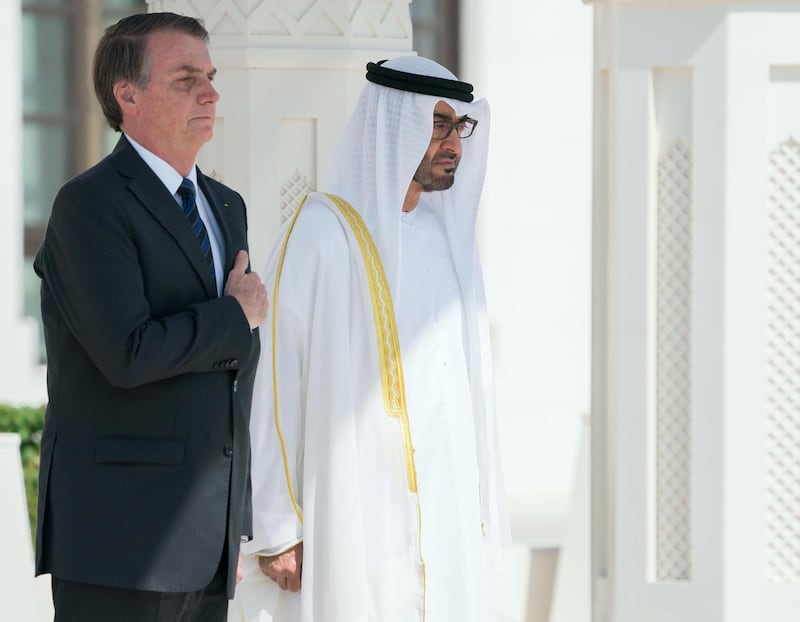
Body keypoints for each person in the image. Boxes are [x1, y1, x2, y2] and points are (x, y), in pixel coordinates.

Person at [232, 56, 514, 622]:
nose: (452, 143)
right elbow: (276, 380)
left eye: (459, 126)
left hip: (446, 509)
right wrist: (278, 528)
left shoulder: (443, 236)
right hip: (355, 508)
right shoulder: (319, 232)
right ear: (391, 126)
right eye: (436, 126)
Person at [33, 12, 267, 622]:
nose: (211, 94)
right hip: (120, 541)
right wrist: (233, 317)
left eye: (210, 77)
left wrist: (232, 521)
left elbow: (234, 374)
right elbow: (127, 353)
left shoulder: (225, 205)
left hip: (207, 541)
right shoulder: (89, 205)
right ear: (127, 96)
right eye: (186, 78)